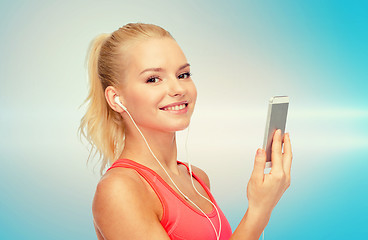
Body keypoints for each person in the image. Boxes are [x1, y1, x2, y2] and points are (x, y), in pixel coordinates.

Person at [79, 23, 292, 240]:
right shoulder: (119, 190)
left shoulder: (197, 179)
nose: (179, 89)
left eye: (183, 75)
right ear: (116, 99)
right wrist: (259, 211)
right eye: (153, 79)